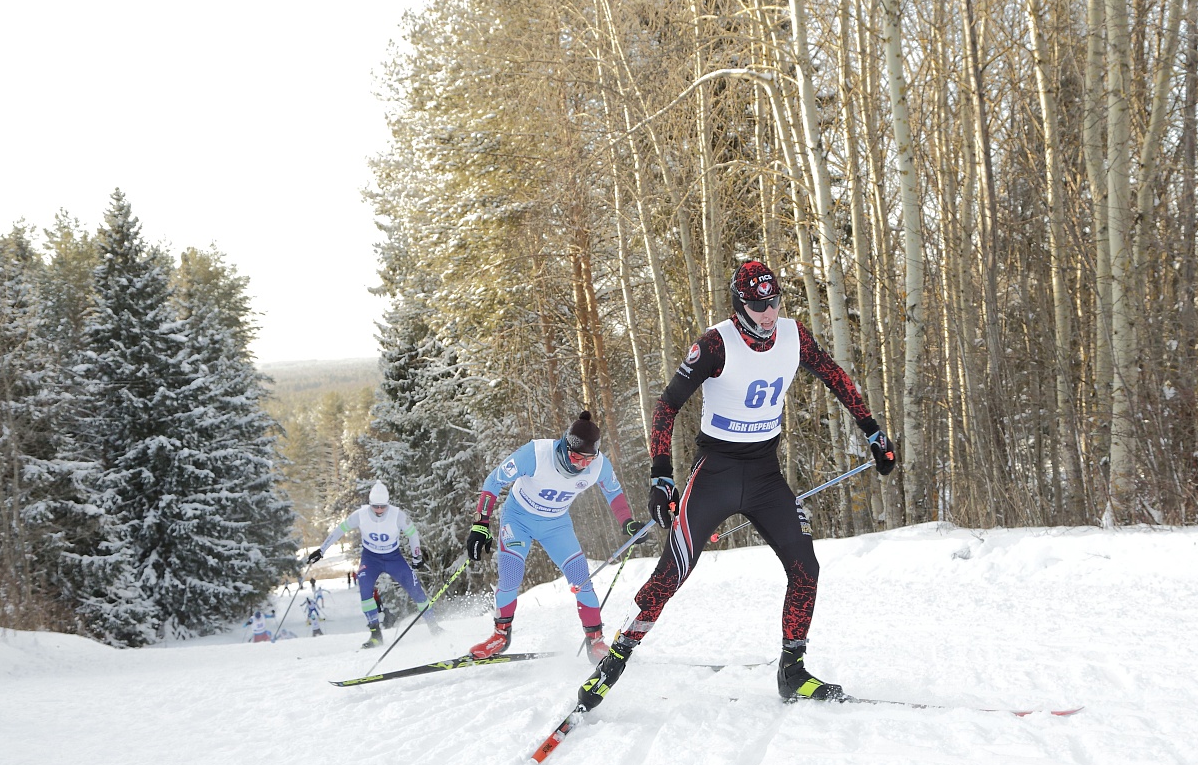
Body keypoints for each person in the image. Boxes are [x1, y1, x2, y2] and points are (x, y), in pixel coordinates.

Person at [577, 260, 896, 713]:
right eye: (758, 305)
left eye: (774, 302)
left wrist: (873, 431)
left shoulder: (793, 335)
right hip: (716, 473)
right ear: (740, 304)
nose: (769, 313)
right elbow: (666, 407)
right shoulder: (714, 344)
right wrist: (661, 477)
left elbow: (836, 378)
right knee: (672, 572)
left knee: (806, 567)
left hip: (765, 474)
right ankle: (613, 663)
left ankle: (792, 672)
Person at [466, 411, 649, 661]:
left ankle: (595, 640)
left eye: (588, 459)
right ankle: (500, 634)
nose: (581, 465)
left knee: (582, 580)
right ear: (565, 446)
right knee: (510, 576)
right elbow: (493, 481)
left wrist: (627, 523)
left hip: (556, 525)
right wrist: (480, 524)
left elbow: (614, 493)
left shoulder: (599, 465)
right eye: (576, 457)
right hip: (518, 519)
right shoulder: (536, 454)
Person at [307, 481, 438, 648]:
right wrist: (322, 550)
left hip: (393, 558)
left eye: (383, 507)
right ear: (370, 504)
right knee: (365, 588)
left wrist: (417, 556)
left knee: (416, 590)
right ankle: (376, 635)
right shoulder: (360, 515)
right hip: (371, 559)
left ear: (387, 503)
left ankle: (434, 628)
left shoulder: (397, 515)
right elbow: (340, 530)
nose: (379, 510)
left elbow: (412, 533)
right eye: (375, 506)